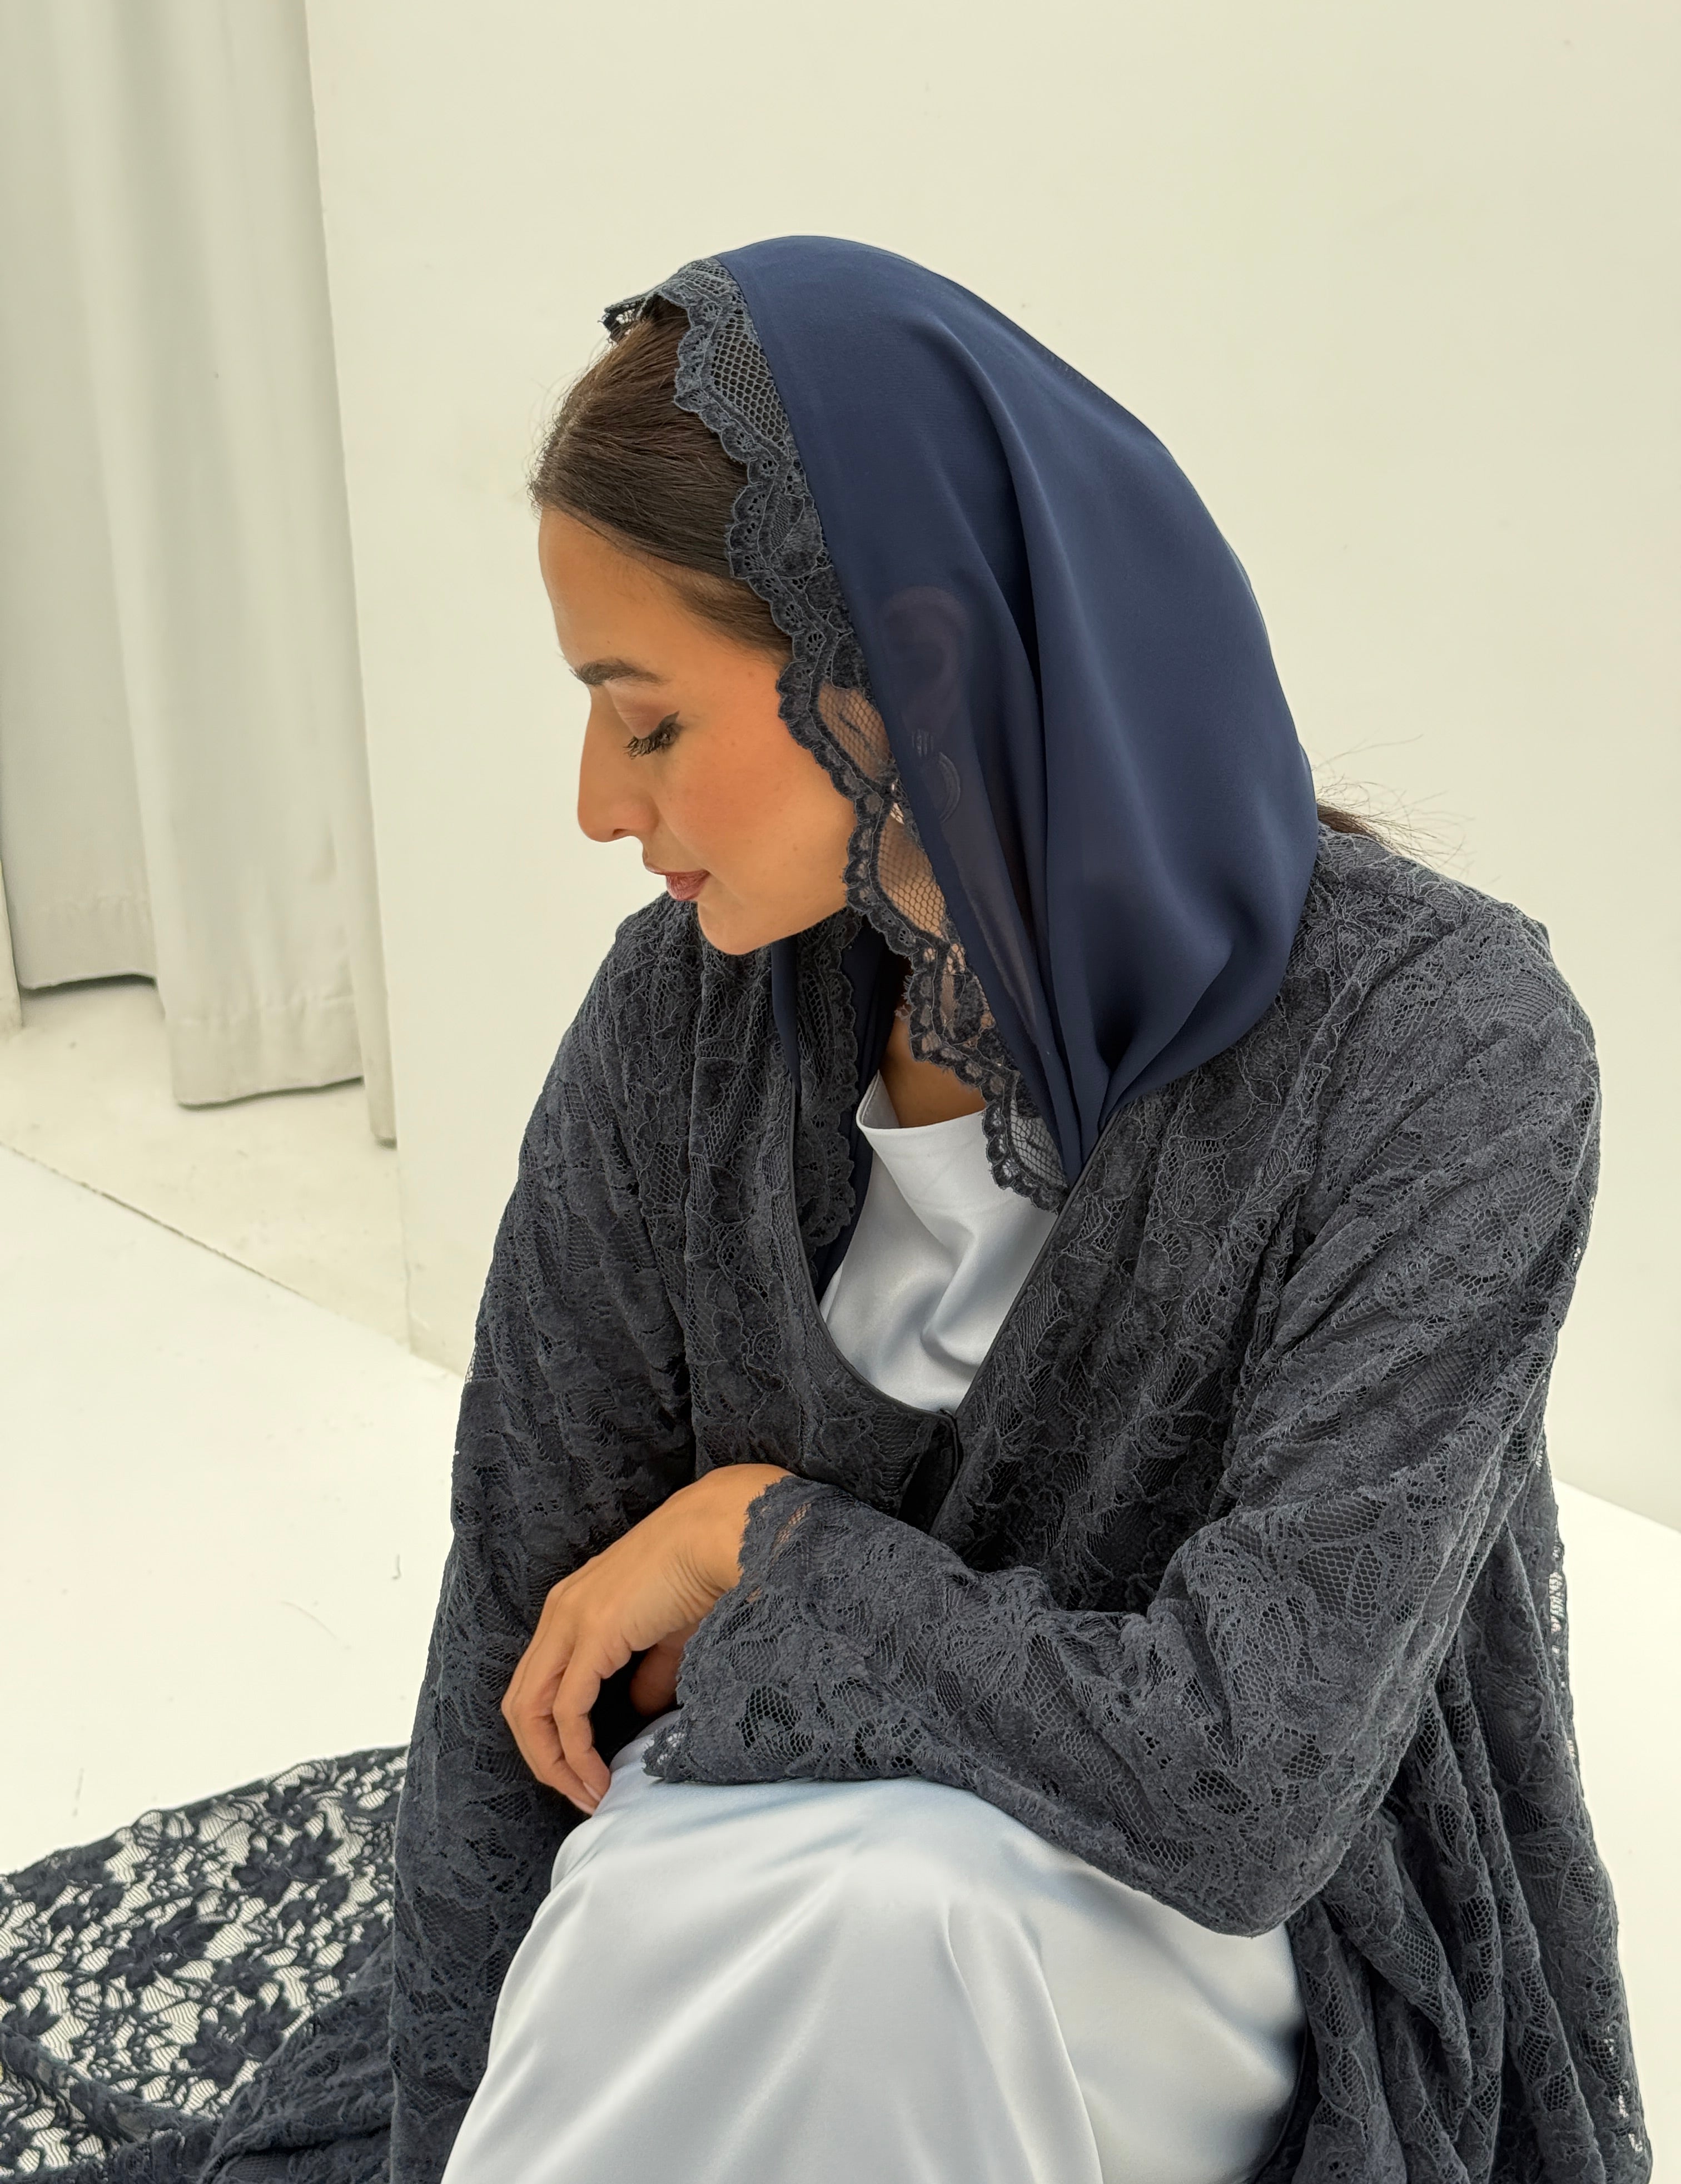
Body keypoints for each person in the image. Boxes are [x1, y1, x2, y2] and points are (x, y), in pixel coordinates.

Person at [0, 237, 1646, 2184]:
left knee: (899, 1919)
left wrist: (757, 1555)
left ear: (904, 674)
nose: (598, 804)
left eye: (649, 720)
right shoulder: (681, 1025)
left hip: (1208, 1964)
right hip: (739, 1894)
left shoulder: (1442, 1053)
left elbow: (1244, 1782)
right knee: (752, 1912)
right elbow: (515, 1665)